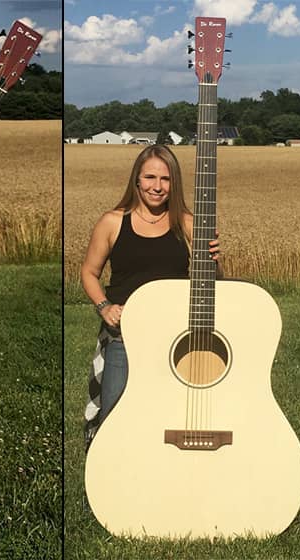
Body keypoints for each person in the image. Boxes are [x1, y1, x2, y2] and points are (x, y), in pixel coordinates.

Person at [80, 144, 220, 446]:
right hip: (124, 338)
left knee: (164, 421)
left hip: (175, 339)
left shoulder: (188, 224)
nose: (157, 187)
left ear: (175, 183)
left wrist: (214, 261)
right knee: (115, 423)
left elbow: (212, 285)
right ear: (137, 180)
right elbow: (89, 273)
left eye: (165, 179)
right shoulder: (113, 222)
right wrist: (104, 307)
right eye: (150, 177)